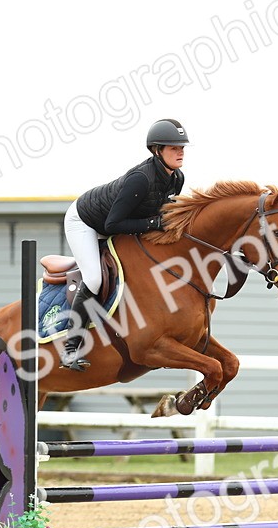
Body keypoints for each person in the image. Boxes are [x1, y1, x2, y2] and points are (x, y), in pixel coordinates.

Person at [59, 118, 188, 370]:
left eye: (182, 147)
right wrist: (153, 222)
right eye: (174, 147)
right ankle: (70, 348)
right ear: (156, 150)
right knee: (94, 279)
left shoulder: (177, 178)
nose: (180, 151)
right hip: (85, 223)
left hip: (116, 223)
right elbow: (112, 225)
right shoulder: (141, 179)